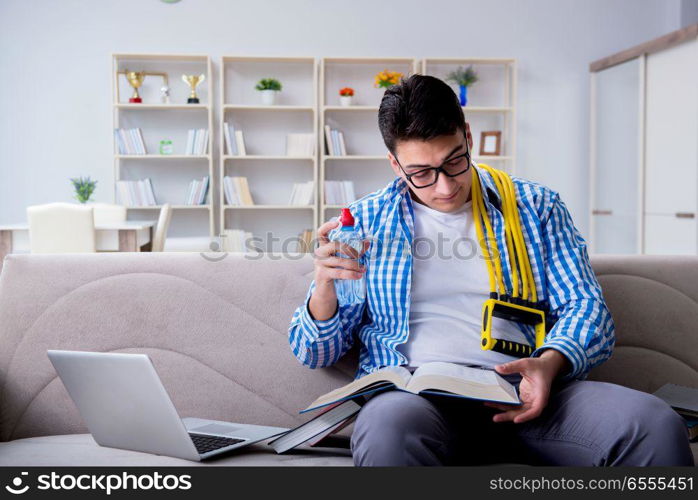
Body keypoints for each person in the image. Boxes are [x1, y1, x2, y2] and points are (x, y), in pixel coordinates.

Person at [288, 74, 694, 466]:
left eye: (454, 162)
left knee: (652, 423)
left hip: (531, 390)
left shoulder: (536, 206)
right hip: (415, 402)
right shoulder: (363, 222)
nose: (444, 187)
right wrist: (324, 288)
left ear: (467, 136)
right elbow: (314, 351)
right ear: (395, 165)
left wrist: (549, 363)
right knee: (387, 428)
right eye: (421, 174)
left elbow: (587, 309)